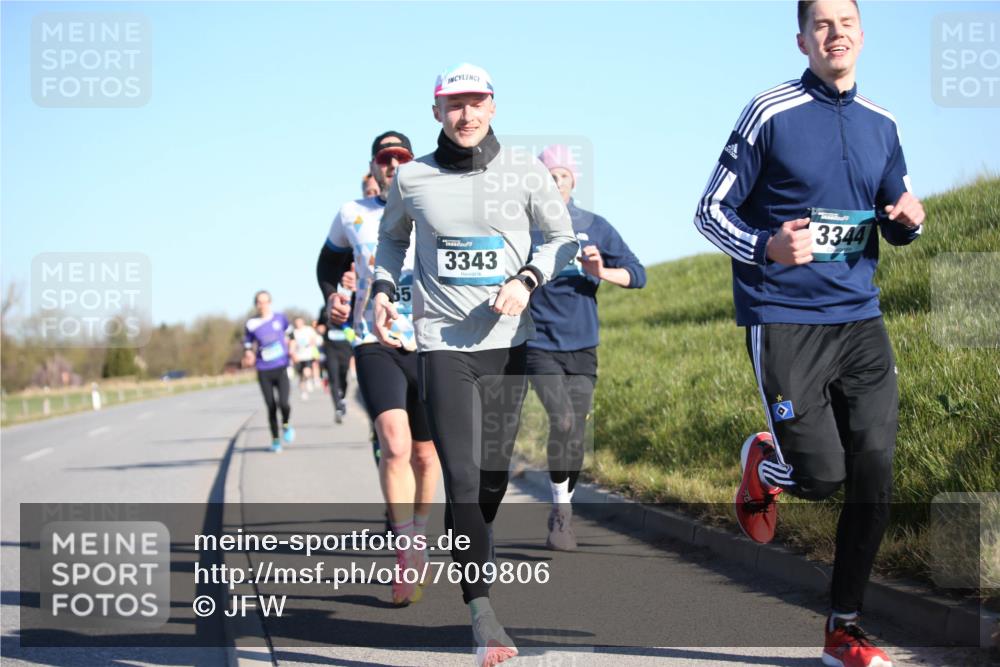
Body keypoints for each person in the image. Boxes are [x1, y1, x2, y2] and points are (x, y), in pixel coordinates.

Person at [693, 2, 925, 665]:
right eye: (821, 23)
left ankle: (843, 628)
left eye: (845, 20)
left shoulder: (883, 123)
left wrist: (911, 218)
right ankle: (764, 463)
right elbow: (709, 211)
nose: (836, 32)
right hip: (785, 318)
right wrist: (767, 245)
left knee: (875, 471)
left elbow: (896, 208)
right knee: (821, 477)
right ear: (803, 39)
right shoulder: (769, 112)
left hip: (860, 319)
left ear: (861, 34)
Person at [372, 63, 577, 667]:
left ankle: (466, 541)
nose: (465, 114)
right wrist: (384, 288)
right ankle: (482, 612)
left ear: (493, 107)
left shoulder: (525, 172)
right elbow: (391, 240)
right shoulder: (412, 179)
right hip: (441, 344)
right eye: (453, 104)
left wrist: (528, 278)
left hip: (509, 340)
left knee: (490, 481)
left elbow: (560, 238)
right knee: (462, 477)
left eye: (475, 103)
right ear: (436, 112)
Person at [317, 130, 441, 607]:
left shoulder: (431, 208)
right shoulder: (352, 214)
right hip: (375, 340)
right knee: (393, 443)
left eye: (401, 158)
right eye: (385, 159)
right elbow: (327, 264)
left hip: (430, 343)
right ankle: (406, 547)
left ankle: (421, 534)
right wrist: (333, 296)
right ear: (373, 167)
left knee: (427, 456)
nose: (393, 164)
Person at [528, 144, 646, 551]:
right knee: (561, 421)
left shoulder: (594, 225)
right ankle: (561, 514)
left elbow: (638, 275)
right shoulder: (521, 226)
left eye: (561, 175)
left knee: (575, 432)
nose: (554, 182)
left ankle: (564, 507)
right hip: (537, 342)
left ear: (573, 180)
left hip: (582, 344)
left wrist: (601, 271)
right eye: (547, 175)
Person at [242, 290, 296, 452]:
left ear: (270, 303)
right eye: (259, 302)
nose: (262, 305)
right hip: (264, 369)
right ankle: (275, 440)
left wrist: (292, 349)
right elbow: (247, 344)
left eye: (265, 301)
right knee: (271, 406)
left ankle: (286, 424)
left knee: (284, 403)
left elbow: (291, 335)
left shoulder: (280, 318)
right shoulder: (251, 324)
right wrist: (249, 354)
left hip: (281, 367)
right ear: (256, 305)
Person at [315, 304, 353, 423]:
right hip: (330, 348)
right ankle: (337, 408)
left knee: (343, 376)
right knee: (333, 378)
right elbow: (320, 324)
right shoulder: (325, 308)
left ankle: (342, 399)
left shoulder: (350, 304)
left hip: (346, 347)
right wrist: (320, 328)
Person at [291, 317, 320, 400]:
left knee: (307, 371)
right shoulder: (294, 332)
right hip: (298, 356)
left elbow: (314, 339)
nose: (298, 324)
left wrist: (313, 349)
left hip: (308, 355)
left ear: (303, 322)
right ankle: (303, 392)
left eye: (299, 322)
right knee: (301, 376)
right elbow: (292, 344)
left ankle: (309, 380)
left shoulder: (308, 330)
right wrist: (293, 355)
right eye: (296, 323)